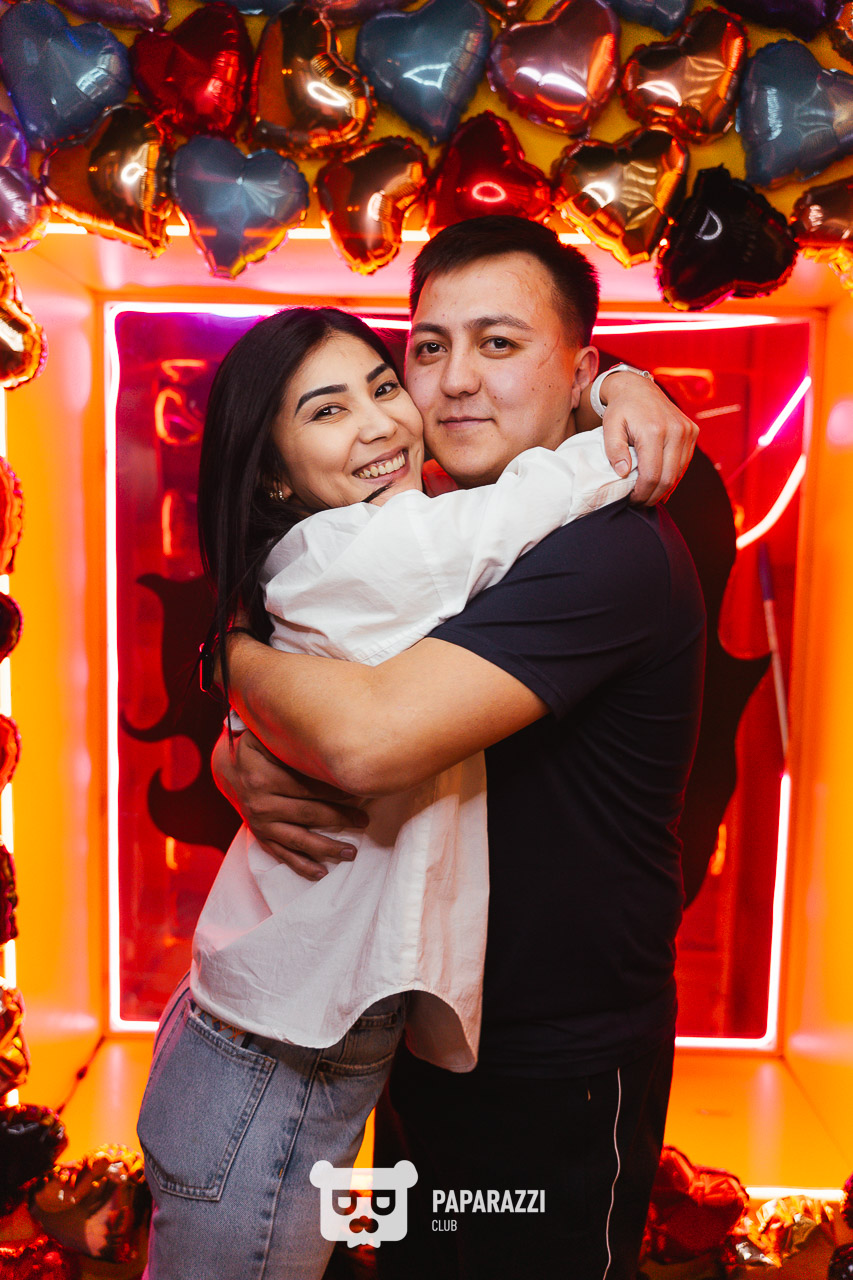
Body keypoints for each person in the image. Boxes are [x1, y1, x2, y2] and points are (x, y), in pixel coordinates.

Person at [214, 216, 706, 1280]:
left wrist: (232, 660)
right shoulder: (428, 531)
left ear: (579, 371)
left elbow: (365, 736)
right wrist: (240, 743)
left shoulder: (607, 548)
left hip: (555, 1065)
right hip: (422, 1029)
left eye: (499, 343)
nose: (454, 381)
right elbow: (327, 653)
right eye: (429, 347)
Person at [138, 302, 639, 1280]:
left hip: (264, 1043)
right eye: (328, 411)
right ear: (274, 473)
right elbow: (534, 498)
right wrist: (627, 402)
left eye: (380, 387)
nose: (379, 424)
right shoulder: (371, 549)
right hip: (269, 1065)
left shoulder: (328, 553)